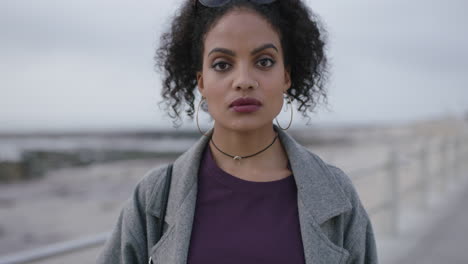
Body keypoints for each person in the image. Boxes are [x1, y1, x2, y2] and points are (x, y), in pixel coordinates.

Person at [97, 0, 378, 263]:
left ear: (286, 76)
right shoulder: (155, 196)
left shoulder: (336, 193)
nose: (244, 80)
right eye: (222, 64)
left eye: (264, 61)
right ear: (202, 82)